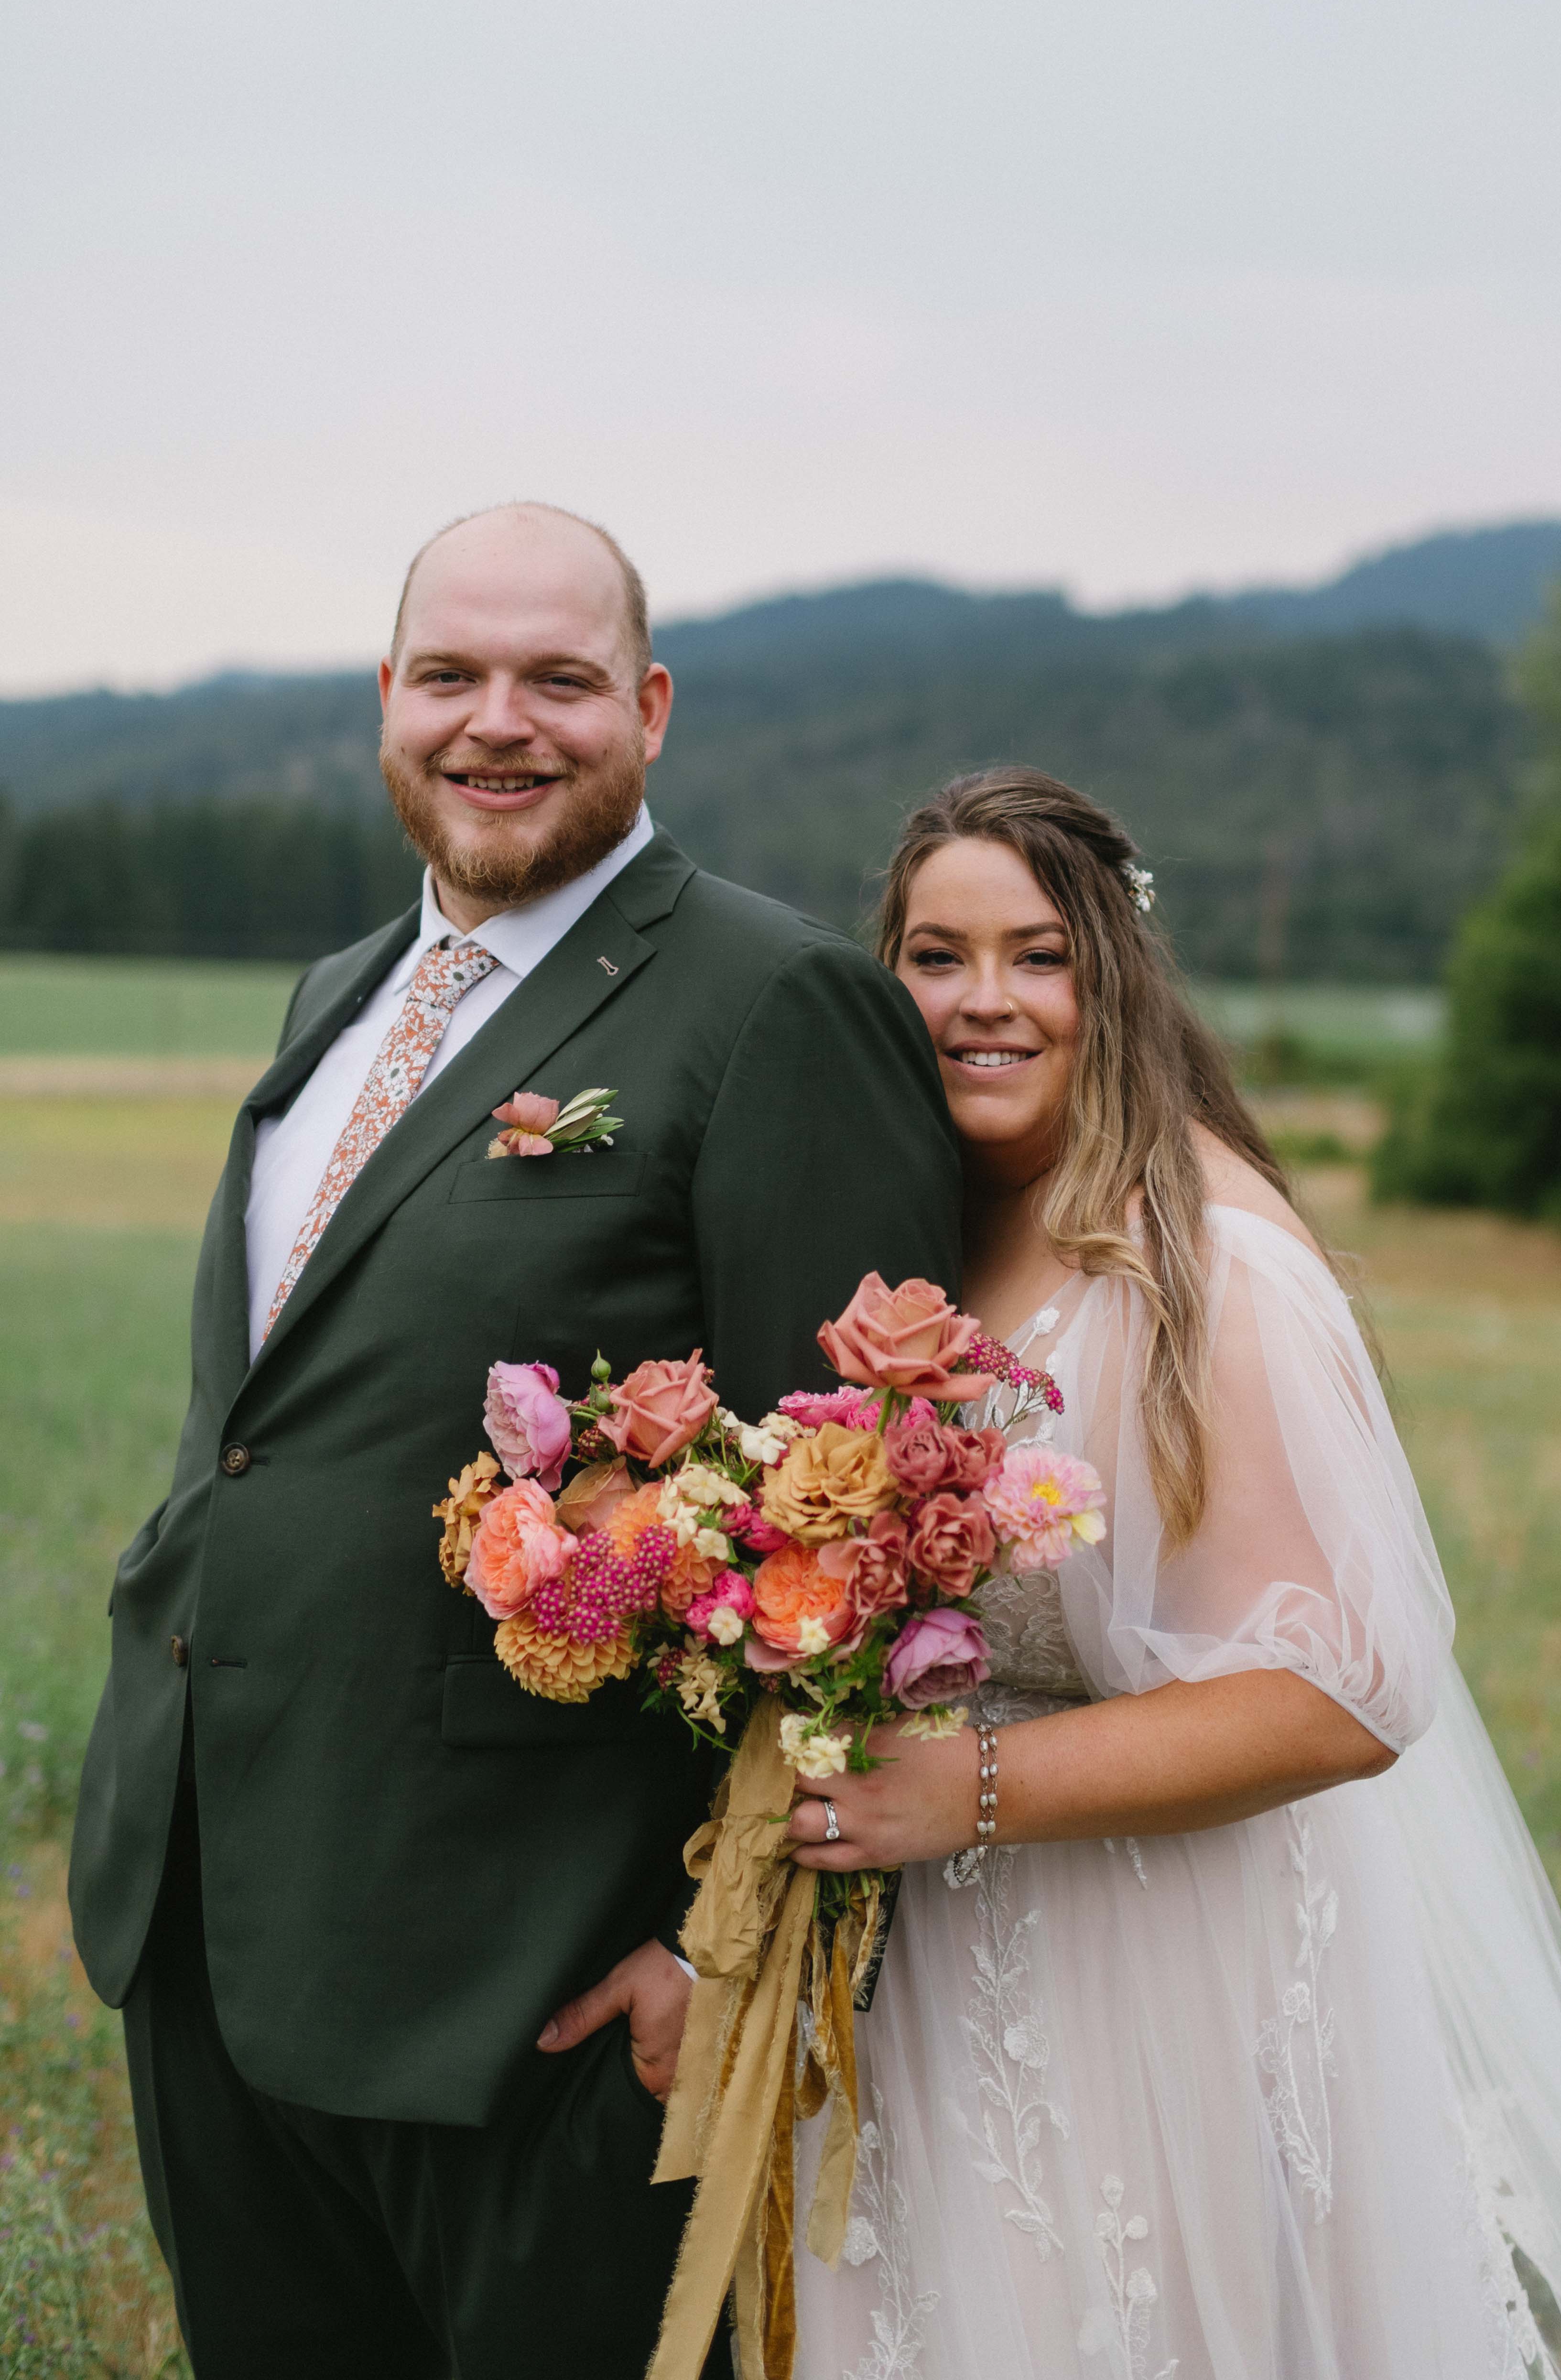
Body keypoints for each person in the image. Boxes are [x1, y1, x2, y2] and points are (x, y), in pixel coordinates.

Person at [67, 501, 964, 2379]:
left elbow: (870, 1516)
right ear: (385, 699)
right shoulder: (336, 1001)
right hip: (219, 1927)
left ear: (647, 708)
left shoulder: (771, 999)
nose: (502, 721)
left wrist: (730, 1945)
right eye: (452, 675)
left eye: (559, 679)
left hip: (547, 1983)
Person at [783, 766, 1561, 2380]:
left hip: (1161, 1971)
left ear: (1113, 977)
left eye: (1037, 954)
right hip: (939, 1972)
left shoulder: (1206, 1258)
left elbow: (1347, 1688)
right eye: (935, 954)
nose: (983, 999)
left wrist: (965, 1785)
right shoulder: (929, 1220)